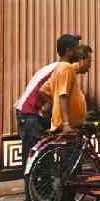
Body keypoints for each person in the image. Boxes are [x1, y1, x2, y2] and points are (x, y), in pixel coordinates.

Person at [14, 33, 81, 179]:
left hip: (31, 113)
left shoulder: (58, 66)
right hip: (29, 114)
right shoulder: (64, 68)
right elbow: (52, 93)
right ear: (69, 51)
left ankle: (41, 194)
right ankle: (33, 198)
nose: (79, 53)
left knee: (40, 156)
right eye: (77, 49)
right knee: (35, 160)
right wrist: (64, 120)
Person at [39, 45, 95, 201]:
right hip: (69, 127)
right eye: (89, 61)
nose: (90, 66)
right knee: (71, 170)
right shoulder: (66, 70)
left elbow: (44, 90)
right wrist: (66, 122)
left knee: (70, 168)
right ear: (80, 58)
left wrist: (54, 105)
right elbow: (63, 95)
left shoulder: (63, 68)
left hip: (67, 125)